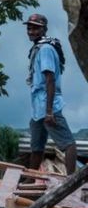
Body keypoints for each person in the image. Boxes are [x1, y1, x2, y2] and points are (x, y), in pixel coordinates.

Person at [24, 13, 78, 173]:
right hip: (39, 109)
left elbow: (50, 79)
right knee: (36, 147)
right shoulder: (38, 48)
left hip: (49, 107)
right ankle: (30, 179)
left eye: (36, 28)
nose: (31, 31)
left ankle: (71, 180)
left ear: (44, 30)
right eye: (29, 28)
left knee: (68, 143)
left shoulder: (46, 49)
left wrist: (49, 112)